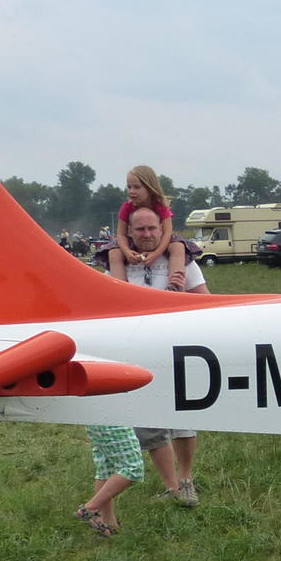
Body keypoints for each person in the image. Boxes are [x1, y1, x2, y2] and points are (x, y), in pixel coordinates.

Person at [120, 205, 205, 505]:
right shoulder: (120, 265)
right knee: (149, 423)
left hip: (178, 351)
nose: (146, 234)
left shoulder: (182, 262)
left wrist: (181, 293)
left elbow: (206, 303)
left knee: (183, 419)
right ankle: (170, 487)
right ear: (129, 231)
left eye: (151, 228)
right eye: (140, 229)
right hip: (139, 353)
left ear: (161, 229)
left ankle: (186, 481)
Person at [108, 166, 191, 291]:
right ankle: (121, 289)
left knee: (178, 246)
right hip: (134, 241)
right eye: (129, 187)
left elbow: (168, 232)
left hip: (162, 239)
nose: (131, 191)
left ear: (149, 187)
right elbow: (121, 234)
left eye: (136, 187)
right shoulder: (127, 207)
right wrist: (127, 252)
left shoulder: (160, 206)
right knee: (114, 253)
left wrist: (156, 254)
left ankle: (174, 285)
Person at [77, 425, 143, 535]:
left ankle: (108, 523)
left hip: (97, 420)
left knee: (106, 469)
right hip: (111, 418)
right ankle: (89, 509)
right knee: (133, 468)